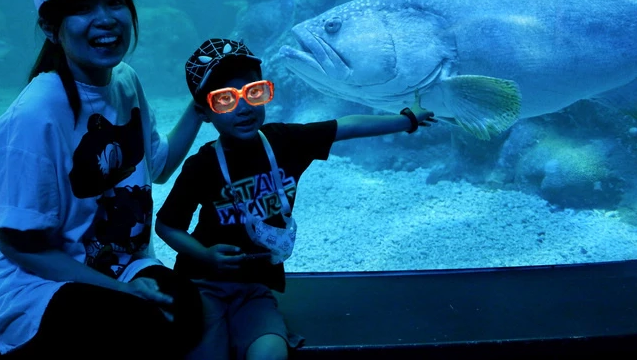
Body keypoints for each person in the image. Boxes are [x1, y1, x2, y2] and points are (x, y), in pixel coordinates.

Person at [0, 0, 204, 357]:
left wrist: (199, 106)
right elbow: (20, 247)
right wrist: (123, 291)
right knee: (130, 326)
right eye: (82, 8)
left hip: (119, 264)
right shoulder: (35, 116)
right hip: (39, 285)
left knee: (188, 309)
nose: (106, 19)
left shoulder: (124, 80)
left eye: (114, 2)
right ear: (50, 26)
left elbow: (157, 166)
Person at [155, 38, 436, 360]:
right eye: (225, 100)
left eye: (253, 92)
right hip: (201, 284)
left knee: (271, 353)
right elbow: (166, 226)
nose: (244, 107)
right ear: (204, 111)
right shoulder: (202, 166)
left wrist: (407, 120)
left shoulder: (285, 142)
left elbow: (345, 127)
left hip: (256, 288)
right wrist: (206, 256)